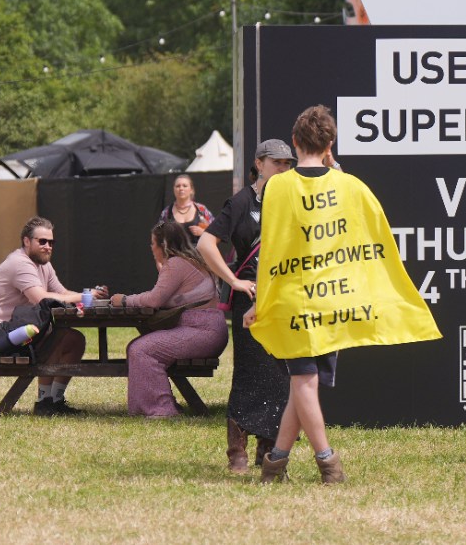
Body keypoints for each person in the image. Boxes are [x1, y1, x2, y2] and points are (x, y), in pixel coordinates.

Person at [246, 105, 346, 485]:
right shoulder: (344, 184)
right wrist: (336, 168)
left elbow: (272, 249)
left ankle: (308, 466)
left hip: (292, 296)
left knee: (302, 383)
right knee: (304, 382)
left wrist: (259, 301)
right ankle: (303, 464)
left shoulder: (278, 187)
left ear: (294, 142)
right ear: (330, 144)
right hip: (331, 296)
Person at [197, 139, 294, 473]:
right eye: (277, 162)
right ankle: (236, 451)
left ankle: (267, 449)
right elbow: (205, 243)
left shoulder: (292, 198)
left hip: (282, 297)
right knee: (249, 372)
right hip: (250, 299)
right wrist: (234, 280)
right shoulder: (242, 201)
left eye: (287, 164)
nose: (283, 168)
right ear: (259, 163)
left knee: (279, 376)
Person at [0, 216, 108, 416]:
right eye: (42, 241)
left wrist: (90, 298)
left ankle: (53, 401)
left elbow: (61, 292)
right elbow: (40, 299)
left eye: (51, 242)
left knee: (75, 340)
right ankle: (44, 403)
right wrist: (85, 296)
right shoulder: (20, 263)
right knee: (58, 337)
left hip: (13, 329)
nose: (47, 246)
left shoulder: (44, 265)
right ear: (27, 241)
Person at [109, 221, 228, 417]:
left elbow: (154, 300)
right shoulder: (192, 260)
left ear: (162, 245)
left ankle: (161, 409)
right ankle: (159, 404)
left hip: (202, 330)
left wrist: (123, 300)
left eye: (152, 243)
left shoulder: (176, 264)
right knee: (138, 346)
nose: (151, 248)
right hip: (209, 329)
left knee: (141, 350)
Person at [159, 173, 214, 246]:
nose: (181, 188)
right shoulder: (167, 212)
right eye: (178, 186)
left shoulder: (201, 210)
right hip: (174, 255)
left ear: (191, 190)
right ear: (174, 189)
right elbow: (158, 235)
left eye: (185, 186)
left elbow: (216, 231)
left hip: (197, 255)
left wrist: (203, 232)